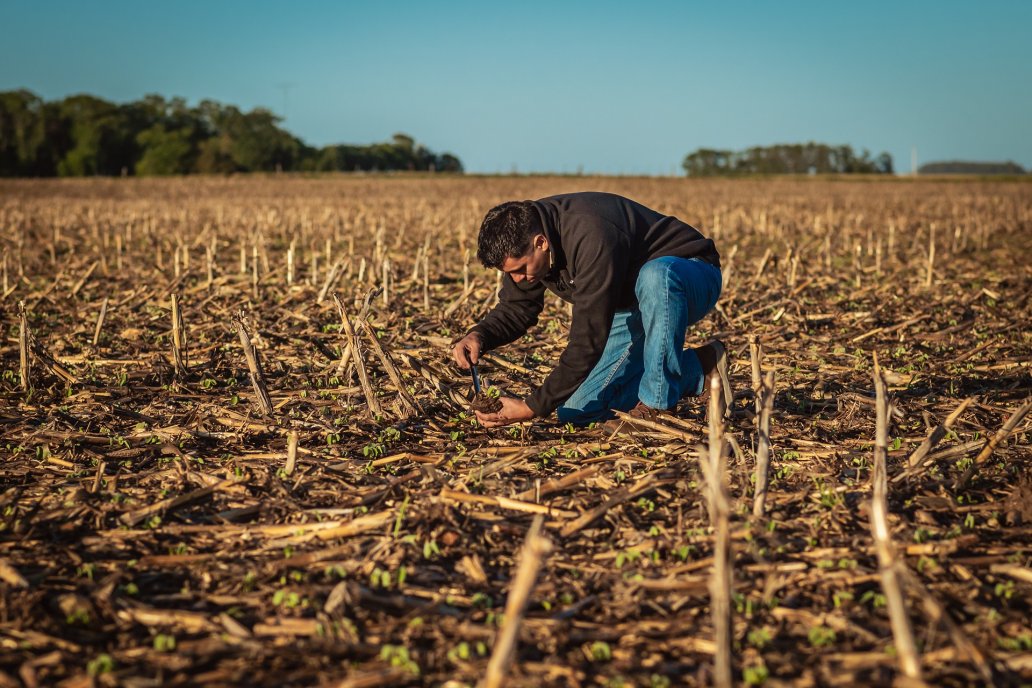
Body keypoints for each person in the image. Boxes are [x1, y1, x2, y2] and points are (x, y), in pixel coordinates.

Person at [451, 191, 729, 428]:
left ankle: (657, 407)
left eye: (521, 269)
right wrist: (480, 335)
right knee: (578, 410)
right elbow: (517, 308)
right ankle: (700, 369)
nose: (518, 279)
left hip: (689, 277)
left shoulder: (590, 233)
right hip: (629, 302)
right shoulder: (528, 246)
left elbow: (588, 340)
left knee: (655, 275)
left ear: (541, 243)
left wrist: (531, 407)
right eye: (509, 273)